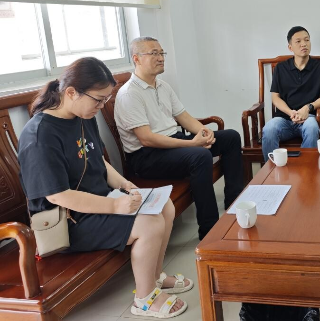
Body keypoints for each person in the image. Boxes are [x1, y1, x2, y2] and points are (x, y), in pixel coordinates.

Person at [18, 57, 192, 318]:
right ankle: (144, 299)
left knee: (164, 205)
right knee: (149, 224)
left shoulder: (83, 114)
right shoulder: (40, 135)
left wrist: (124, 184)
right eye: (98, 100)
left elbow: (97, 159)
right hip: (67, 221)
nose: (101, 107)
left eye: (106, 100)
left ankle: (154, 277)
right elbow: (58, 195)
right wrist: (115, 205)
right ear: (71, 92)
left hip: (98, 204)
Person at [114, 37, 244, 240]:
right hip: (147, 157)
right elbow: (147, 139)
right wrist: (192, 143)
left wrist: (204, 132)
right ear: (136, 58)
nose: (161, 58)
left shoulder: (162, 86)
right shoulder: (129, 94)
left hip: (173, 143)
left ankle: (234, 204)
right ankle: (209, 231)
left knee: (231, 137)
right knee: (200, 156)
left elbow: (183, 117)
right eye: (154, 53)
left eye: (161, 53)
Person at [261, 26, 320, 161]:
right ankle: (272, 170)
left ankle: (306, 169)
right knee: (269, 129)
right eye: (298, 41)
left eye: (307, 40)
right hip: (284, 119)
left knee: (312, 128)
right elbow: (275, 98)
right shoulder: (281, 68)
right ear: (290, 47)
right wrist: (290, 112)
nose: (304, 44)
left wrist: (307, 108)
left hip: (309, 118)